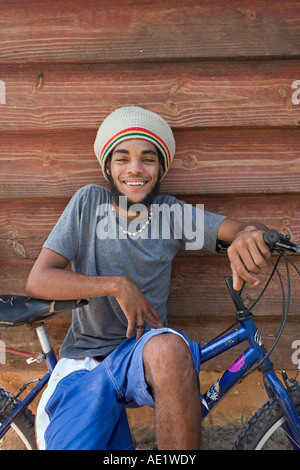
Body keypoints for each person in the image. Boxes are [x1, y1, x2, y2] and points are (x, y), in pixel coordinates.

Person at [26, 106, 270, 450]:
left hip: (144, 354)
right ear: (108, 167)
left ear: (161, 168)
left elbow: (242, 229)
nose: (135, 169)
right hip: (87, 360)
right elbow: (38, 279)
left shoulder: (172, 214)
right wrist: (117, 286)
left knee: (172, 348)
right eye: (122, 158)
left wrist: (248, 235)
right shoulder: (87, 203)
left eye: (148, 159)